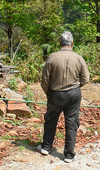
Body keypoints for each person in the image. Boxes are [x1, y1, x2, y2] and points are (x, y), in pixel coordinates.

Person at [37, 31, 90, 162]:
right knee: (71, 122)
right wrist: (76, 87)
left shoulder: (52, 57)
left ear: (60, 43)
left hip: (55, 93)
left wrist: (49, 93)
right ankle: (68, 154)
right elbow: (86, 78)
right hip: (73, 94)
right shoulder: (78, 58)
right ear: (72, 43)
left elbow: (45, 80)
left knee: (50, 120)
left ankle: (46, 147)